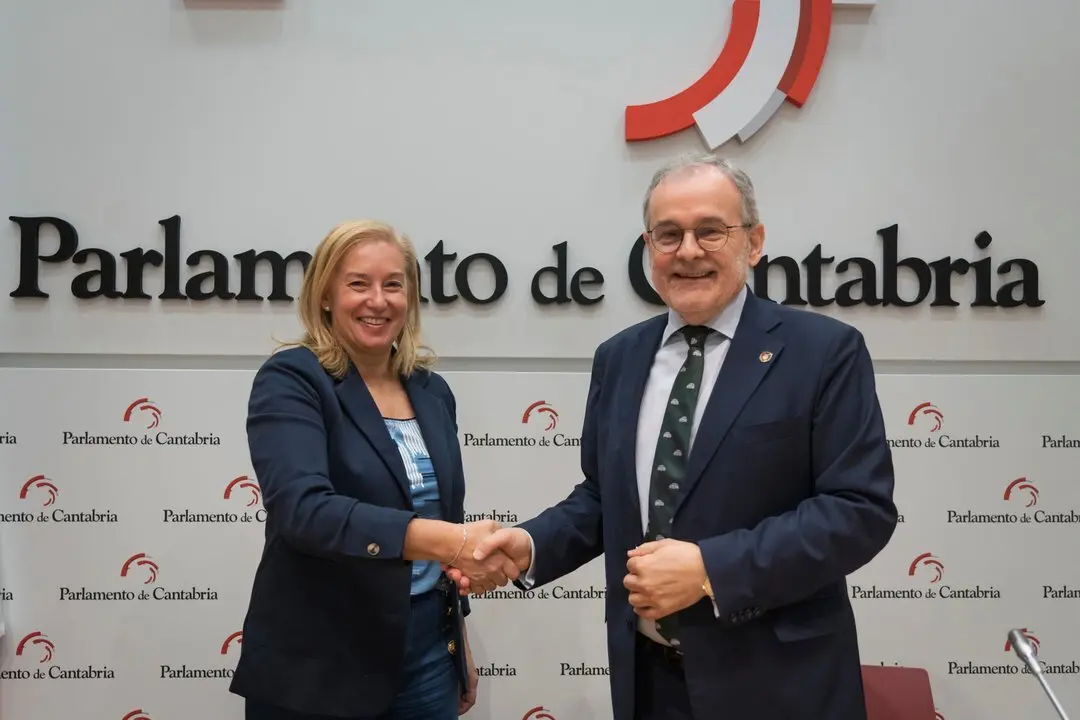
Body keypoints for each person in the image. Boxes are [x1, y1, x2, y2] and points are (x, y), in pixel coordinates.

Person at [449, 154, 898, 719]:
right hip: (649, 682)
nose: (688, 250)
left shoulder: (823, 352)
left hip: (779, 687)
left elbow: (858, 511)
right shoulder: (619, 358)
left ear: (754, 242)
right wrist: (530, 545)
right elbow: (603, 498)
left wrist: (712, 570)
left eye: (710, 230)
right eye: (669, 234)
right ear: (649, 248)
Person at [229, 219, 520, 720]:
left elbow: (447, 513)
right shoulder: (293, 379)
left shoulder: (432, 392)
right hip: (323, 659)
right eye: (358, 284)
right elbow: (305, 511)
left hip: (428, 654)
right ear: (325, 295)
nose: (378, 301)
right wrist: (449, 540)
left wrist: (459, 644)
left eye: (393, 284)